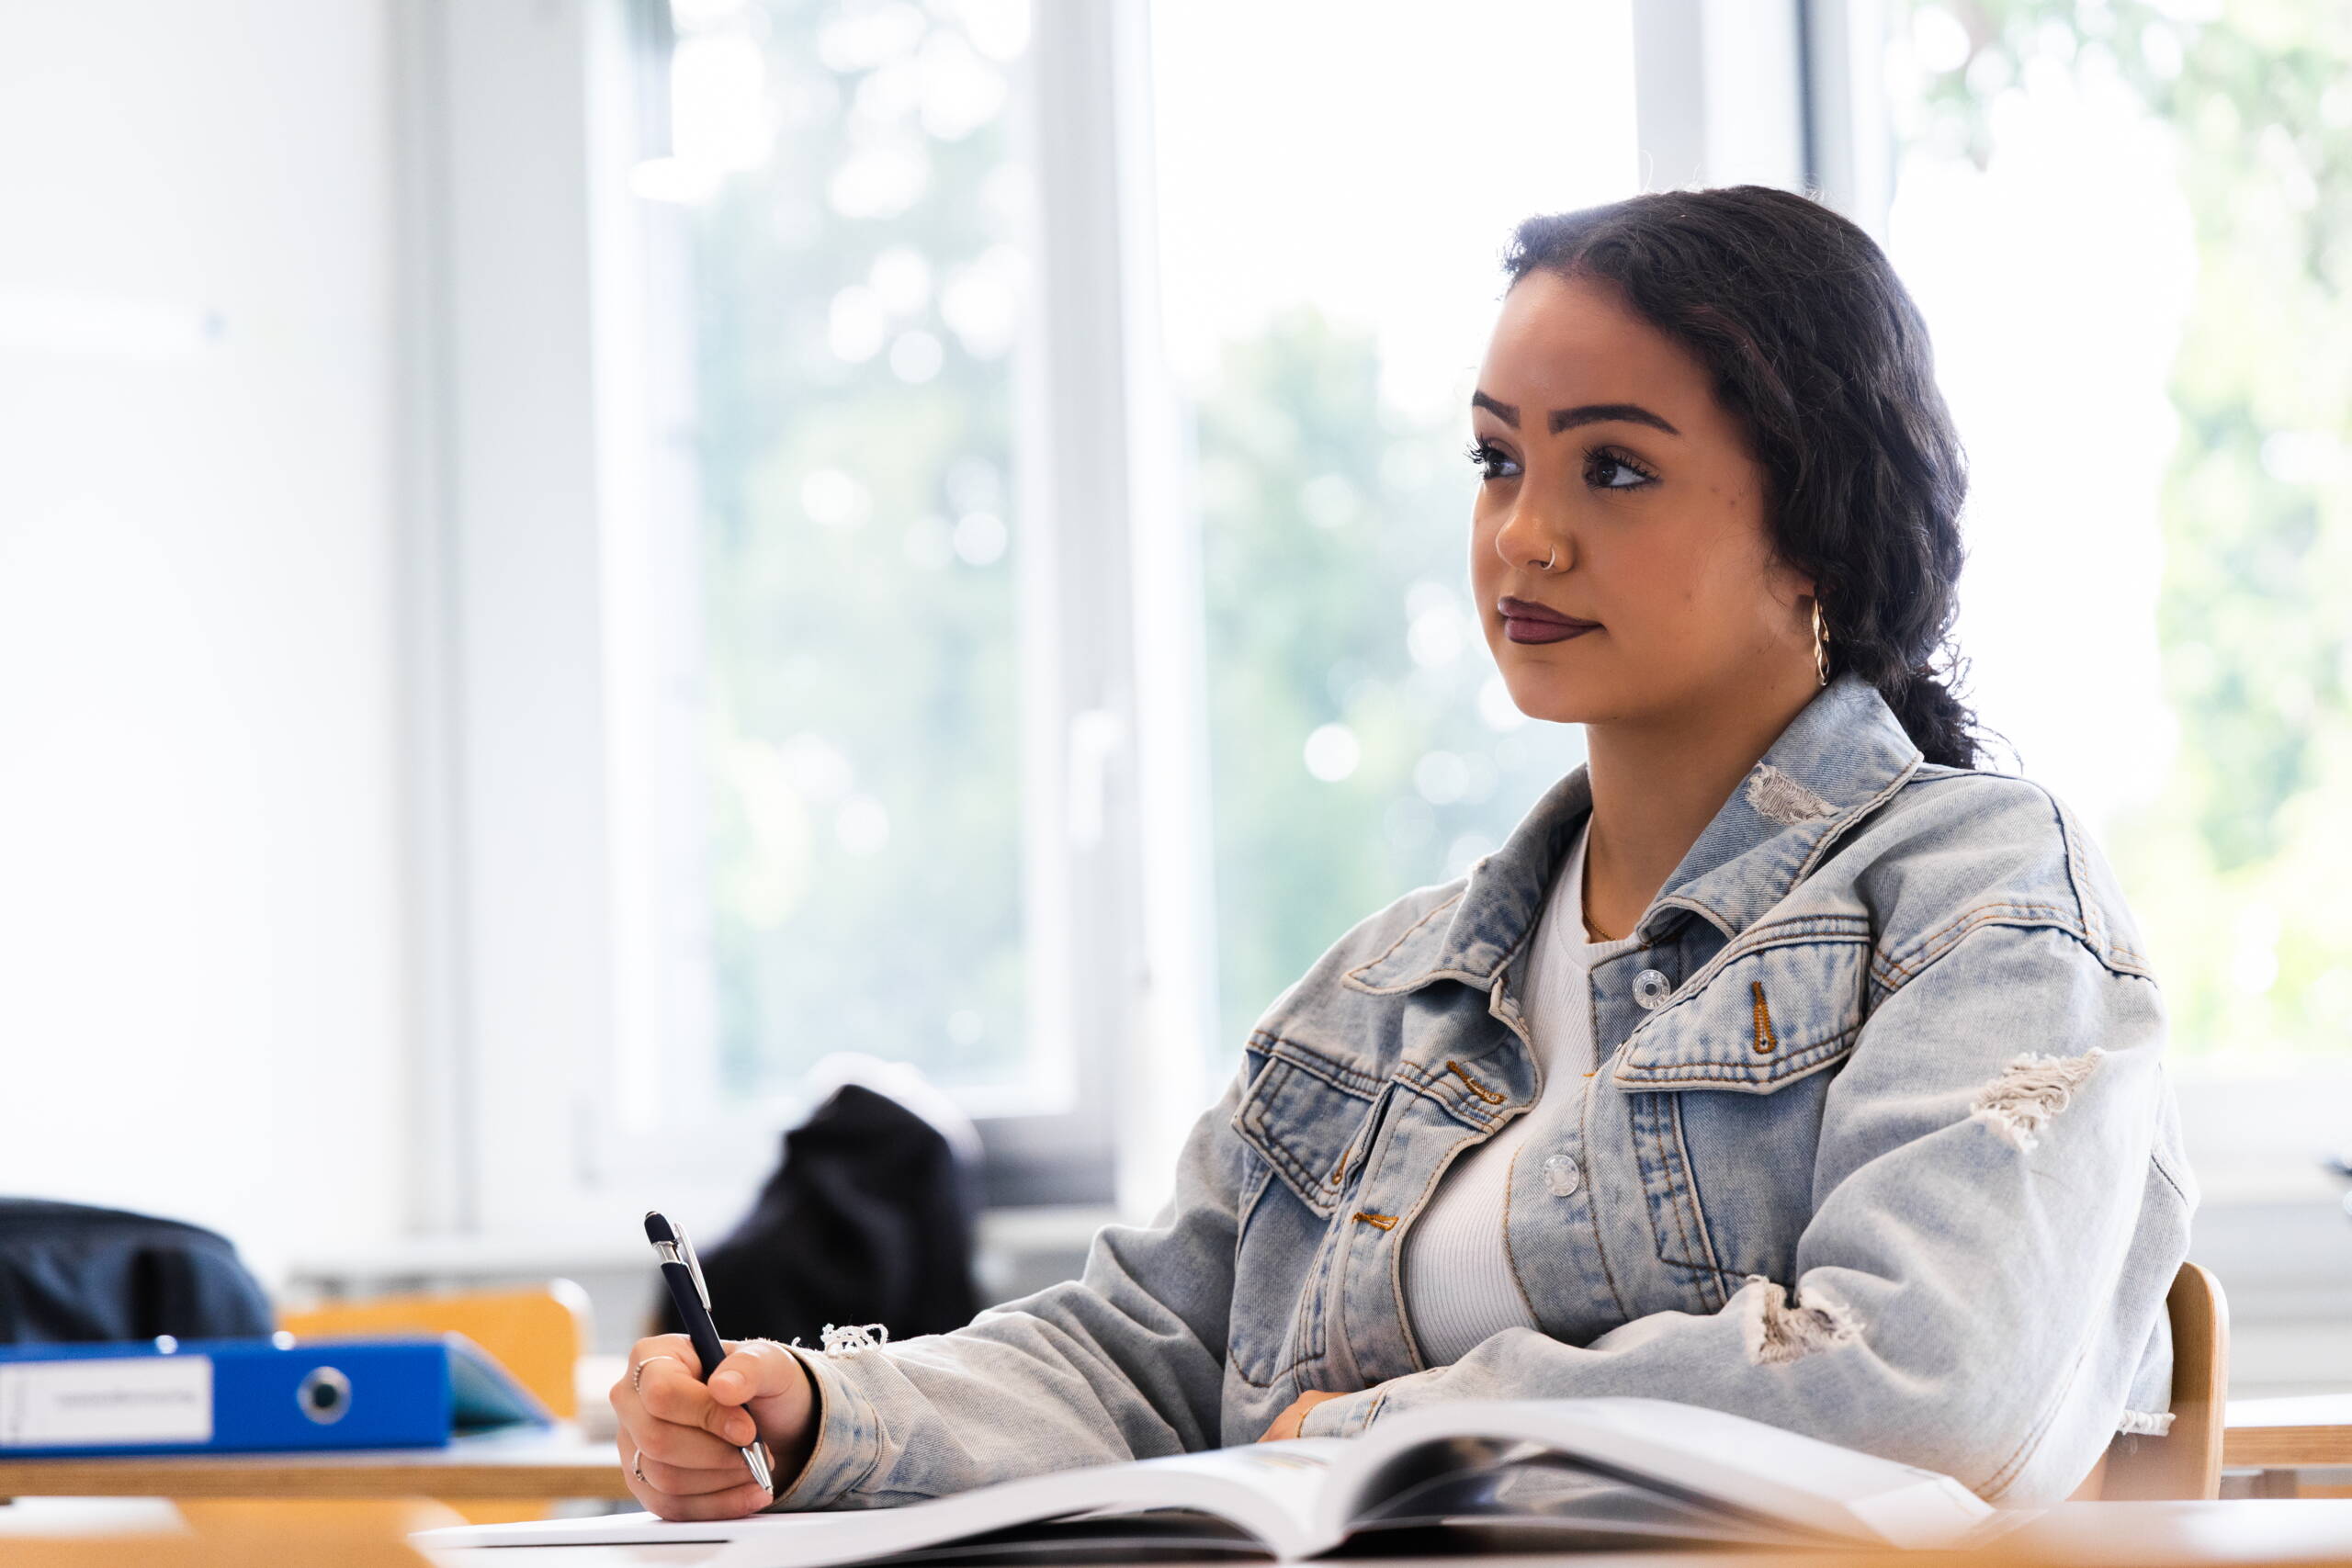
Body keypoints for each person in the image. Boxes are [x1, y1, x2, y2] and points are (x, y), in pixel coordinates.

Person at [610, 184, 2195, 1518]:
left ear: (1821, 527)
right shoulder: (1383, 990)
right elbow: (1135, 1362)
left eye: (1614, 469)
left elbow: (1931, 1388)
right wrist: (811, 1411)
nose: (1527, 533)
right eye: (1499, 458)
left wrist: (1375, 1439)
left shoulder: (1980, 900)